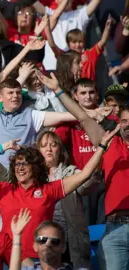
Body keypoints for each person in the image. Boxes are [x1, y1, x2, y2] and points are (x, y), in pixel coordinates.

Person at [0, 122, 117, 259]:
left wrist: (102, 147)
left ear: (35, 167)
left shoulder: (49, 190)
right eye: (17, 165)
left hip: (40, 260)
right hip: (7, 259)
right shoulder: (5, 189)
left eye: (25, 164)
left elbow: (84, 175)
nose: (20, 168)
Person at [38, 72, 129, 269]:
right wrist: (58, 91)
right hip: (115, 228)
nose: (127, 125)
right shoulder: (111, 143)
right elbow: (81, 116)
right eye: (124, 121)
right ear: (118, 122)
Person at [0, 130, 98, 268]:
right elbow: (5, 174)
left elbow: (85, 180)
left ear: (60, 149)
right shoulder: (22, 181)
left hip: (64, 242)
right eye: (44, 145)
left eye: (53, 145)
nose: (48, 149)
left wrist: (101, 152)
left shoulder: (65, 176)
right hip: (27, 252)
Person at [32, 0, 102, 70]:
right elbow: (33, 2)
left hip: (74, 69)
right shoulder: (49, 13)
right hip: (52, 67)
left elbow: (96, 2)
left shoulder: (80, 15)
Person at [48, 18, 113, 82]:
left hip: (89, 90)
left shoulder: (90, 54)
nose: (77, 45)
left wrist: (107, 28)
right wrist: (47, 28)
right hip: (71, 90)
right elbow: (52, 45)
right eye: (74, 42)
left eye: (80, 41)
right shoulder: (65, 56)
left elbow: (103, 41)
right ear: (68, 43)